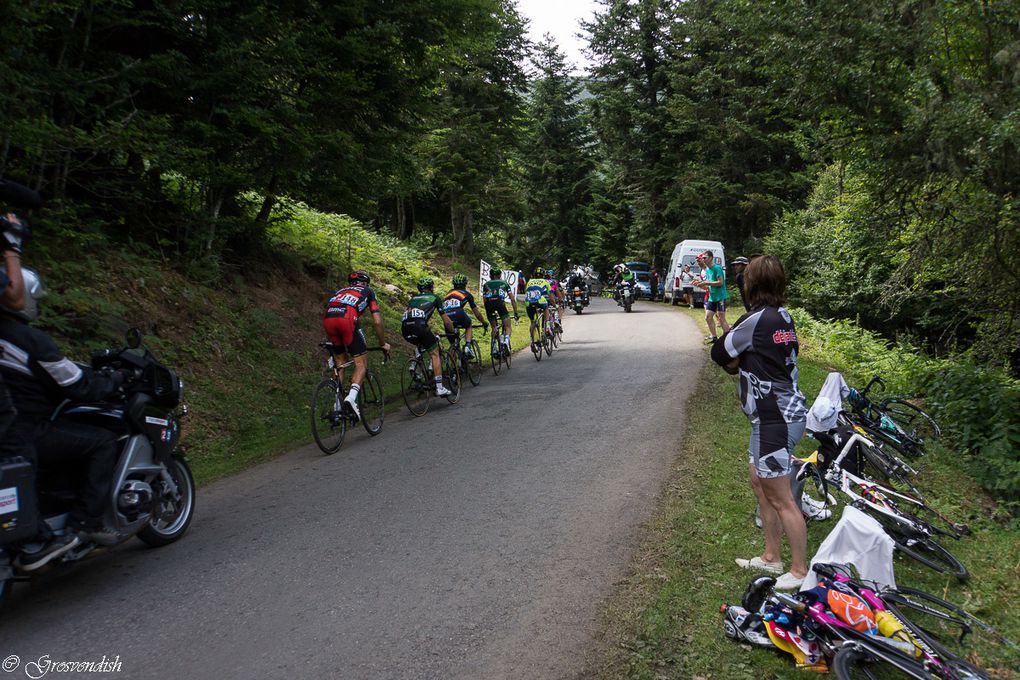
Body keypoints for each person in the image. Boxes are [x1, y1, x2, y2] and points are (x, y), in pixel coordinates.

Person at [0, 264, 125, 555]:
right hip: (24, 431)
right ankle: (87, 522)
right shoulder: (28, 340)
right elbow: (75, 383)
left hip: (12, 431)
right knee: (102, 442)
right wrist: (112, 382)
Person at [710, 255, 809, 590]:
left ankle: (798, 571)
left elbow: (719, 352)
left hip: (774, 421)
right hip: (776, 416)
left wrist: (736, 363)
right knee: (759, 482)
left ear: (749, 284)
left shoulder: (754, 320)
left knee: (782, 497)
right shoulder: (783, 316)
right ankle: (771, 556)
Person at [322, 270, 391, 421]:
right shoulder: (368, 291)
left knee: (340, 362)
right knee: (361, 363)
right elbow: (377, 321)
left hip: (328, 318)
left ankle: (337, 404)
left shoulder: (340, 291)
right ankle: (351, 398)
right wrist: (382, 343)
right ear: (366, 283)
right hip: (347, 319)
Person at [401, 277, 454, 396]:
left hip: (405, 327)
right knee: (435, 353)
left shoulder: (413, 299)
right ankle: (440, 387)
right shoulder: (435, 297)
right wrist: (452, 331)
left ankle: (415, 363)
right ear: (431, 287)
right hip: (419, 326)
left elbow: (413, 316)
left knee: (420, 342)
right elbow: (446, 321)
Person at [443, 274, 488, 355]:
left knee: (453, 345)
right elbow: (476, 313)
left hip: (447, 317)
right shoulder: (467, 294)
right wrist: (483, 322)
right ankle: (467, 346)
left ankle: (453, 366)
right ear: (465, 284)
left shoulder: (447, 294)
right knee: (469, 325)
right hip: (459, 313)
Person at [695, 250, 730, 343]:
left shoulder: (717, 268)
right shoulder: (707, 270)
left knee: (721, 318)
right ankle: (714, 338)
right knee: (708, 317)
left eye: (704, 258)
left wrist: (706, 282)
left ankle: (727, 339)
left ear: (711, 258)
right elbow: (708, 285)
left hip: (720, 297)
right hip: (712, 297)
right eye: (702, 258)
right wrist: (699, 284)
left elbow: (720, 282)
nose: (703, 259)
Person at [481, 267, 518, 356]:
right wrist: (515, 312)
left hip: (489, 305)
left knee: (494, 327)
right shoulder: (504, 283)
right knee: (508, 326)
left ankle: (494, 348)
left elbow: (485, 300)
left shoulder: (485, 284)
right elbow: (512, 298)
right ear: (499, 275)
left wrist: (489, 311)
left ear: (490, 275)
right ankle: (506, 340)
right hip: (500, 303)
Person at [523, 267, 553, 332]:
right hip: (539, 300)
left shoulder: (529, 281)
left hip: (528, 302)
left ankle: (532, 339)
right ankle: (548, 326)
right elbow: (550, 295)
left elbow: (526, 291)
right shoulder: (545, 281)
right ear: (543, 275)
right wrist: (554, 304)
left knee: (532, 322)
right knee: (546, 308)